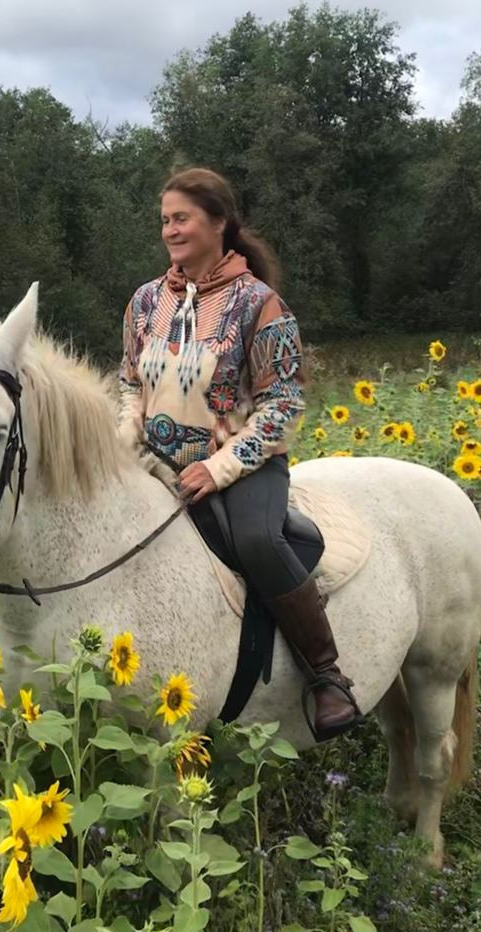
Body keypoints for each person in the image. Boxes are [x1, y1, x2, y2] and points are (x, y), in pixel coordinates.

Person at [117, 166, 362, 742]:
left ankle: (327, 676)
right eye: (165, 221)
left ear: (219, 223)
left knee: (257, 540)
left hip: (241, 463)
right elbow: (130, 380)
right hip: (154, 461)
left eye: (182, 218)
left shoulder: (260, 305)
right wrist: (126, 429)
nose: (171, 231)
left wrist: (219, 466)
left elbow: (282, 404)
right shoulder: (146, 300)